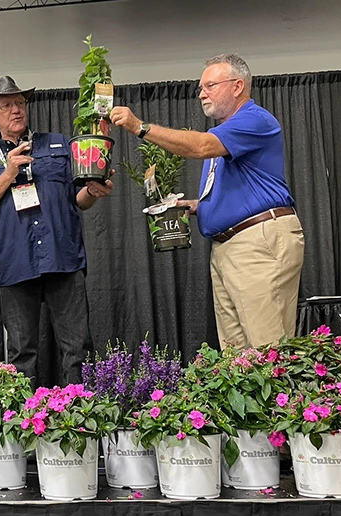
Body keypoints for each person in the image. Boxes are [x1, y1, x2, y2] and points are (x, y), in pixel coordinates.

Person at [110, 53, 305, 349]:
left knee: (268, 350)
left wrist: (141, 127)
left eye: (210, 85)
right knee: (237, 357)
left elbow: (200, 146)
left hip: (257, 243)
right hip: (230, 247)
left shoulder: (253, 119)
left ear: (238, 86)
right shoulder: (227, 132)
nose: (201, 93)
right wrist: (198, 206)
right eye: (200, 87)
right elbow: (244, 189)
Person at [0, 76, 114, 386]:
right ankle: (27, 423)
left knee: (78, 348)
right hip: (15, 264)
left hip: (63, 258)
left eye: (20, 103)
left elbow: (79, 200)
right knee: (21, 354)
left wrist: (93, 191)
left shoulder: (58, 143)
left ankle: (80, 416)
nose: (16, 110)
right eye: (6, 105)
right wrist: (8, 174)